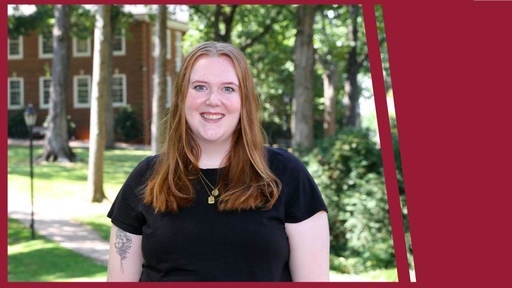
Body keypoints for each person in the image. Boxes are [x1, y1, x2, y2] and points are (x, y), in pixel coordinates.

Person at [106, 41, 330, 282]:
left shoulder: (285, 174)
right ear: (182, 97)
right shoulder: (147, 178)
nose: (213, 100)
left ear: (245, 100)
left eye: (228, 89)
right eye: (200, 87)